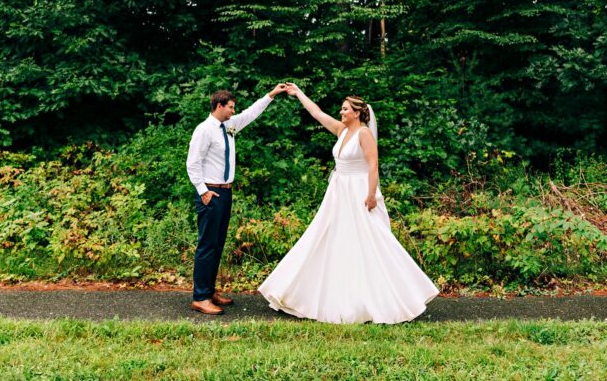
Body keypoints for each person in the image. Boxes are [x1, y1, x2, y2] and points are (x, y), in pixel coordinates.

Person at [258, 85, 439, 323]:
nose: (341, 112)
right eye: (342, 109)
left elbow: (373, 165)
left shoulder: (364, 134)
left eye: (345, 109)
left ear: (356, 113)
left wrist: (371, 194)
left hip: (359, 191)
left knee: (371, 241)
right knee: (332, 239)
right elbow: (317, 112)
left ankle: (399, 295)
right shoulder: (342, 130)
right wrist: (299, 93)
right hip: (338, 192)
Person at [186, 84, 289, 315]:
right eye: (231, 107)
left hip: (225, 192)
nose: (234, 111)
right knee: (207, 245)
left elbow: (251, 113)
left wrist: (271, 95)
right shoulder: (204, 130)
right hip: (210, 192)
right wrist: (203, 191)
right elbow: (192, 163)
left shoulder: (229, 126)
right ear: (219, 106)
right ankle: (200, 297)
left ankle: (209, 290)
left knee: (218, 243)